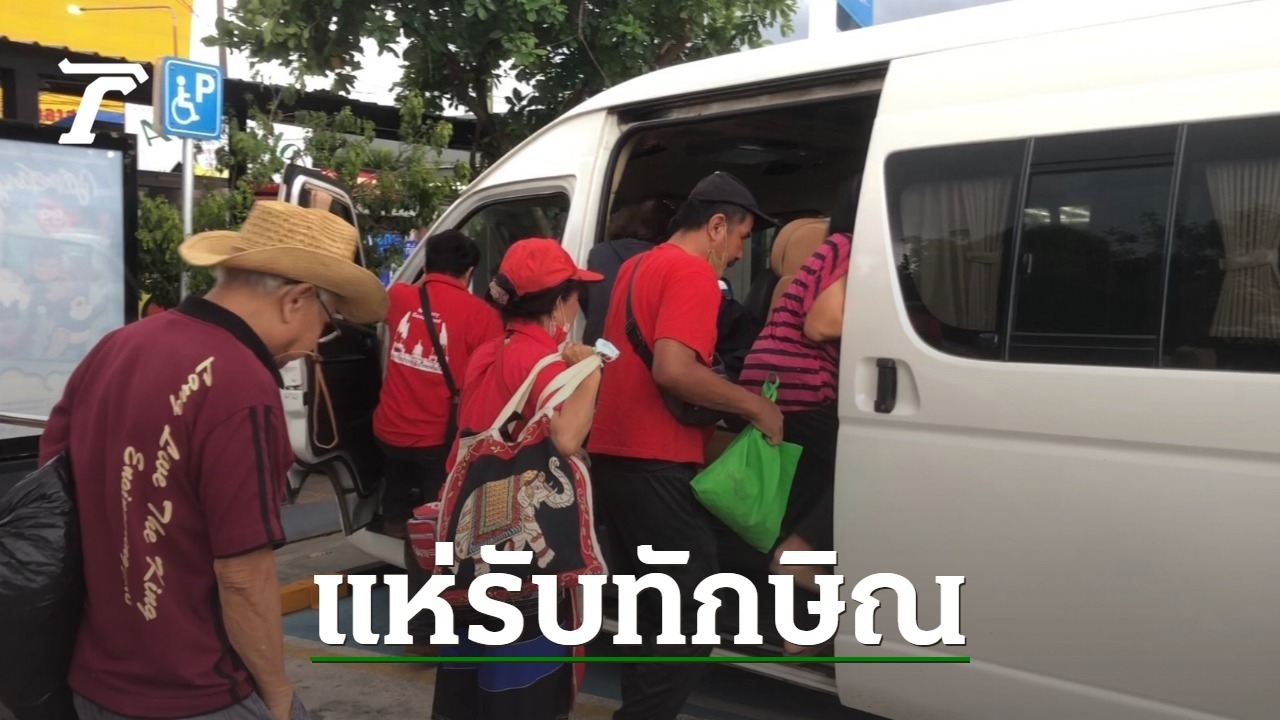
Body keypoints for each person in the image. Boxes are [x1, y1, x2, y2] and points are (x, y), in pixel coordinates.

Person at [37, 200, 388, 720]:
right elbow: (243, 575)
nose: (317, 345)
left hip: (95, 676)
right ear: (297, 299)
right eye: (327, 322)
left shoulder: (118, 346)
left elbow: (55, 490)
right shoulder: (242, 384)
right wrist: (277, 693)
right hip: (195, 688)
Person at [588, 171, 785, 720]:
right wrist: (755, 407)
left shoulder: (634, 267)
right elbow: (673, 370)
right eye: (742, 237)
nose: (742, 252)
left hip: (614, 462)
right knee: (689, 618)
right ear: (717, 226)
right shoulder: (694, 274)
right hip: (658, 467)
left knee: (647, 613)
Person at [431, 237, 604, 720]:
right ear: (557, 305)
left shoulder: (489, 352)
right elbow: (568, 439)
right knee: (524, 684)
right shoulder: (546, 364)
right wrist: (591, 369)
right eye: (574, 297)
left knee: (472, 676)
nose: (576, 308)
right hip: (518, 554)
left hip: (469, 551)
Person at [738, 176, 861, 655]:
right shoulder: (852, 248)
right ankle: (800, 556)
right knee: (869, 465)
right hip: (802, 384)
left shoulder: (828, 247)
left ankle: (798, 636)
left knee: (805, 495)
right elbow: (823, 323)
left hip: (772, 380)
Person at [580, 198, 677, 345]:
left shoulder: (598, 253)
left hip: (594, 350)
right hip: (637, 357)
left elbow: (586, 300)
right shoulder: (666, 261)